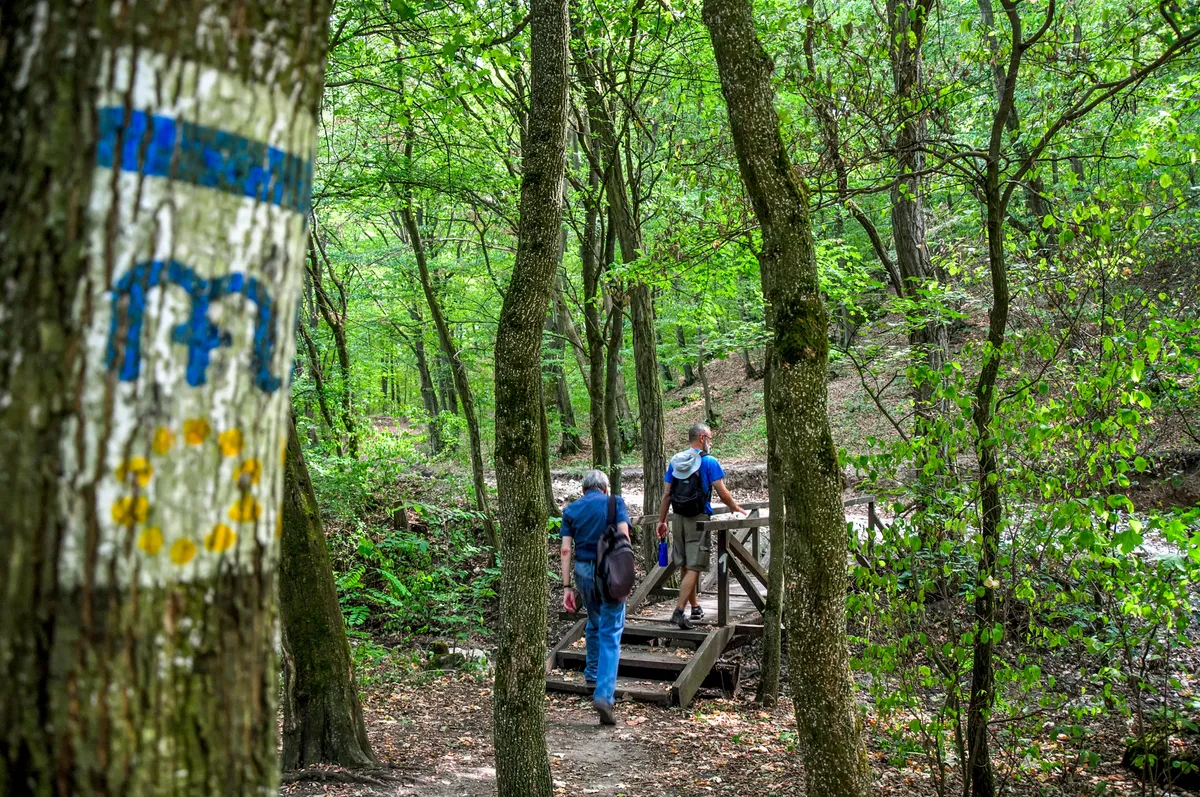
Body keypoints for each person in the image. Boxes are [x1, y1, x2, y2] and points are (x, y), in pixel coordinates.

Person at [655, 423, 746, 629]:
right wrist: (735, 507)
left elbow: (667, 494)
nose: (711, 443)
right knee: (695, 565)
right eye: (710, 438)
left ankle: (694, 607)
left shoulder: (676, 462)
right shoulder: (709, 462)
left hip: (677, 518)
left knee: (686, 564)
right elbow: (722, 493)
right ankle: (679, 611)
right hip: (698, 519)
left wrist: (662, 521)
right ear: (703, 438)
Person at [560, 469, 631, 725]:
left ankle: (591, 673)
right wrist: (625, 576)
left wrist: (567, 587)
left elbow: (566, 549)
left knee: (594, 618)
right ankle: (603, 696)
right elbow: (624, 538)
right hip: (609, 571)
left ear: (583, 490)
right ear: (604, 488)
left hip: (582, 572)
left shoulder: (571, 510)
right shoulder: (615, 503)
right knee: (611, 632)